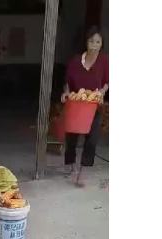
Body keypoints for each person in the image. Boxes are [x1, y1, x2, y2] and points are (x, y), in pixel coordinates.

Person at [61, 26, 109, 186]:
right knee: (72, 137)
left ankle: (83, 171)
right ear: (86, 42)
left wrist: (101, 92)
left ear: (101, 44)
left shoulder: (104, 60)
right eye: (91, 41)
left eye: (98, 42)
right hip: (76, 104)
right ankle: (72, 167)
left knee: (92, 139)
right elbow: (67, 82)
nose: (94, 45)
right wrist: (67, 93)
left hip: (94, 105)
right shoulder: (75, 61)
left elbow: (107, 82)